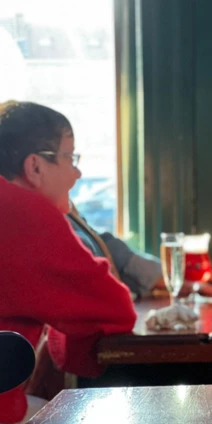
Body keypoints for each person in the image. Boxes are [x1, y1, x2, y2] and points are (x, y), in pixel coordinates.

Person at [0, 101, 137, 423]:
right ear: (35, 167)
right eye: (69, 157)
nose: (77, 173)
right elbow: (115, 309)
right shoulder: (23, 214)